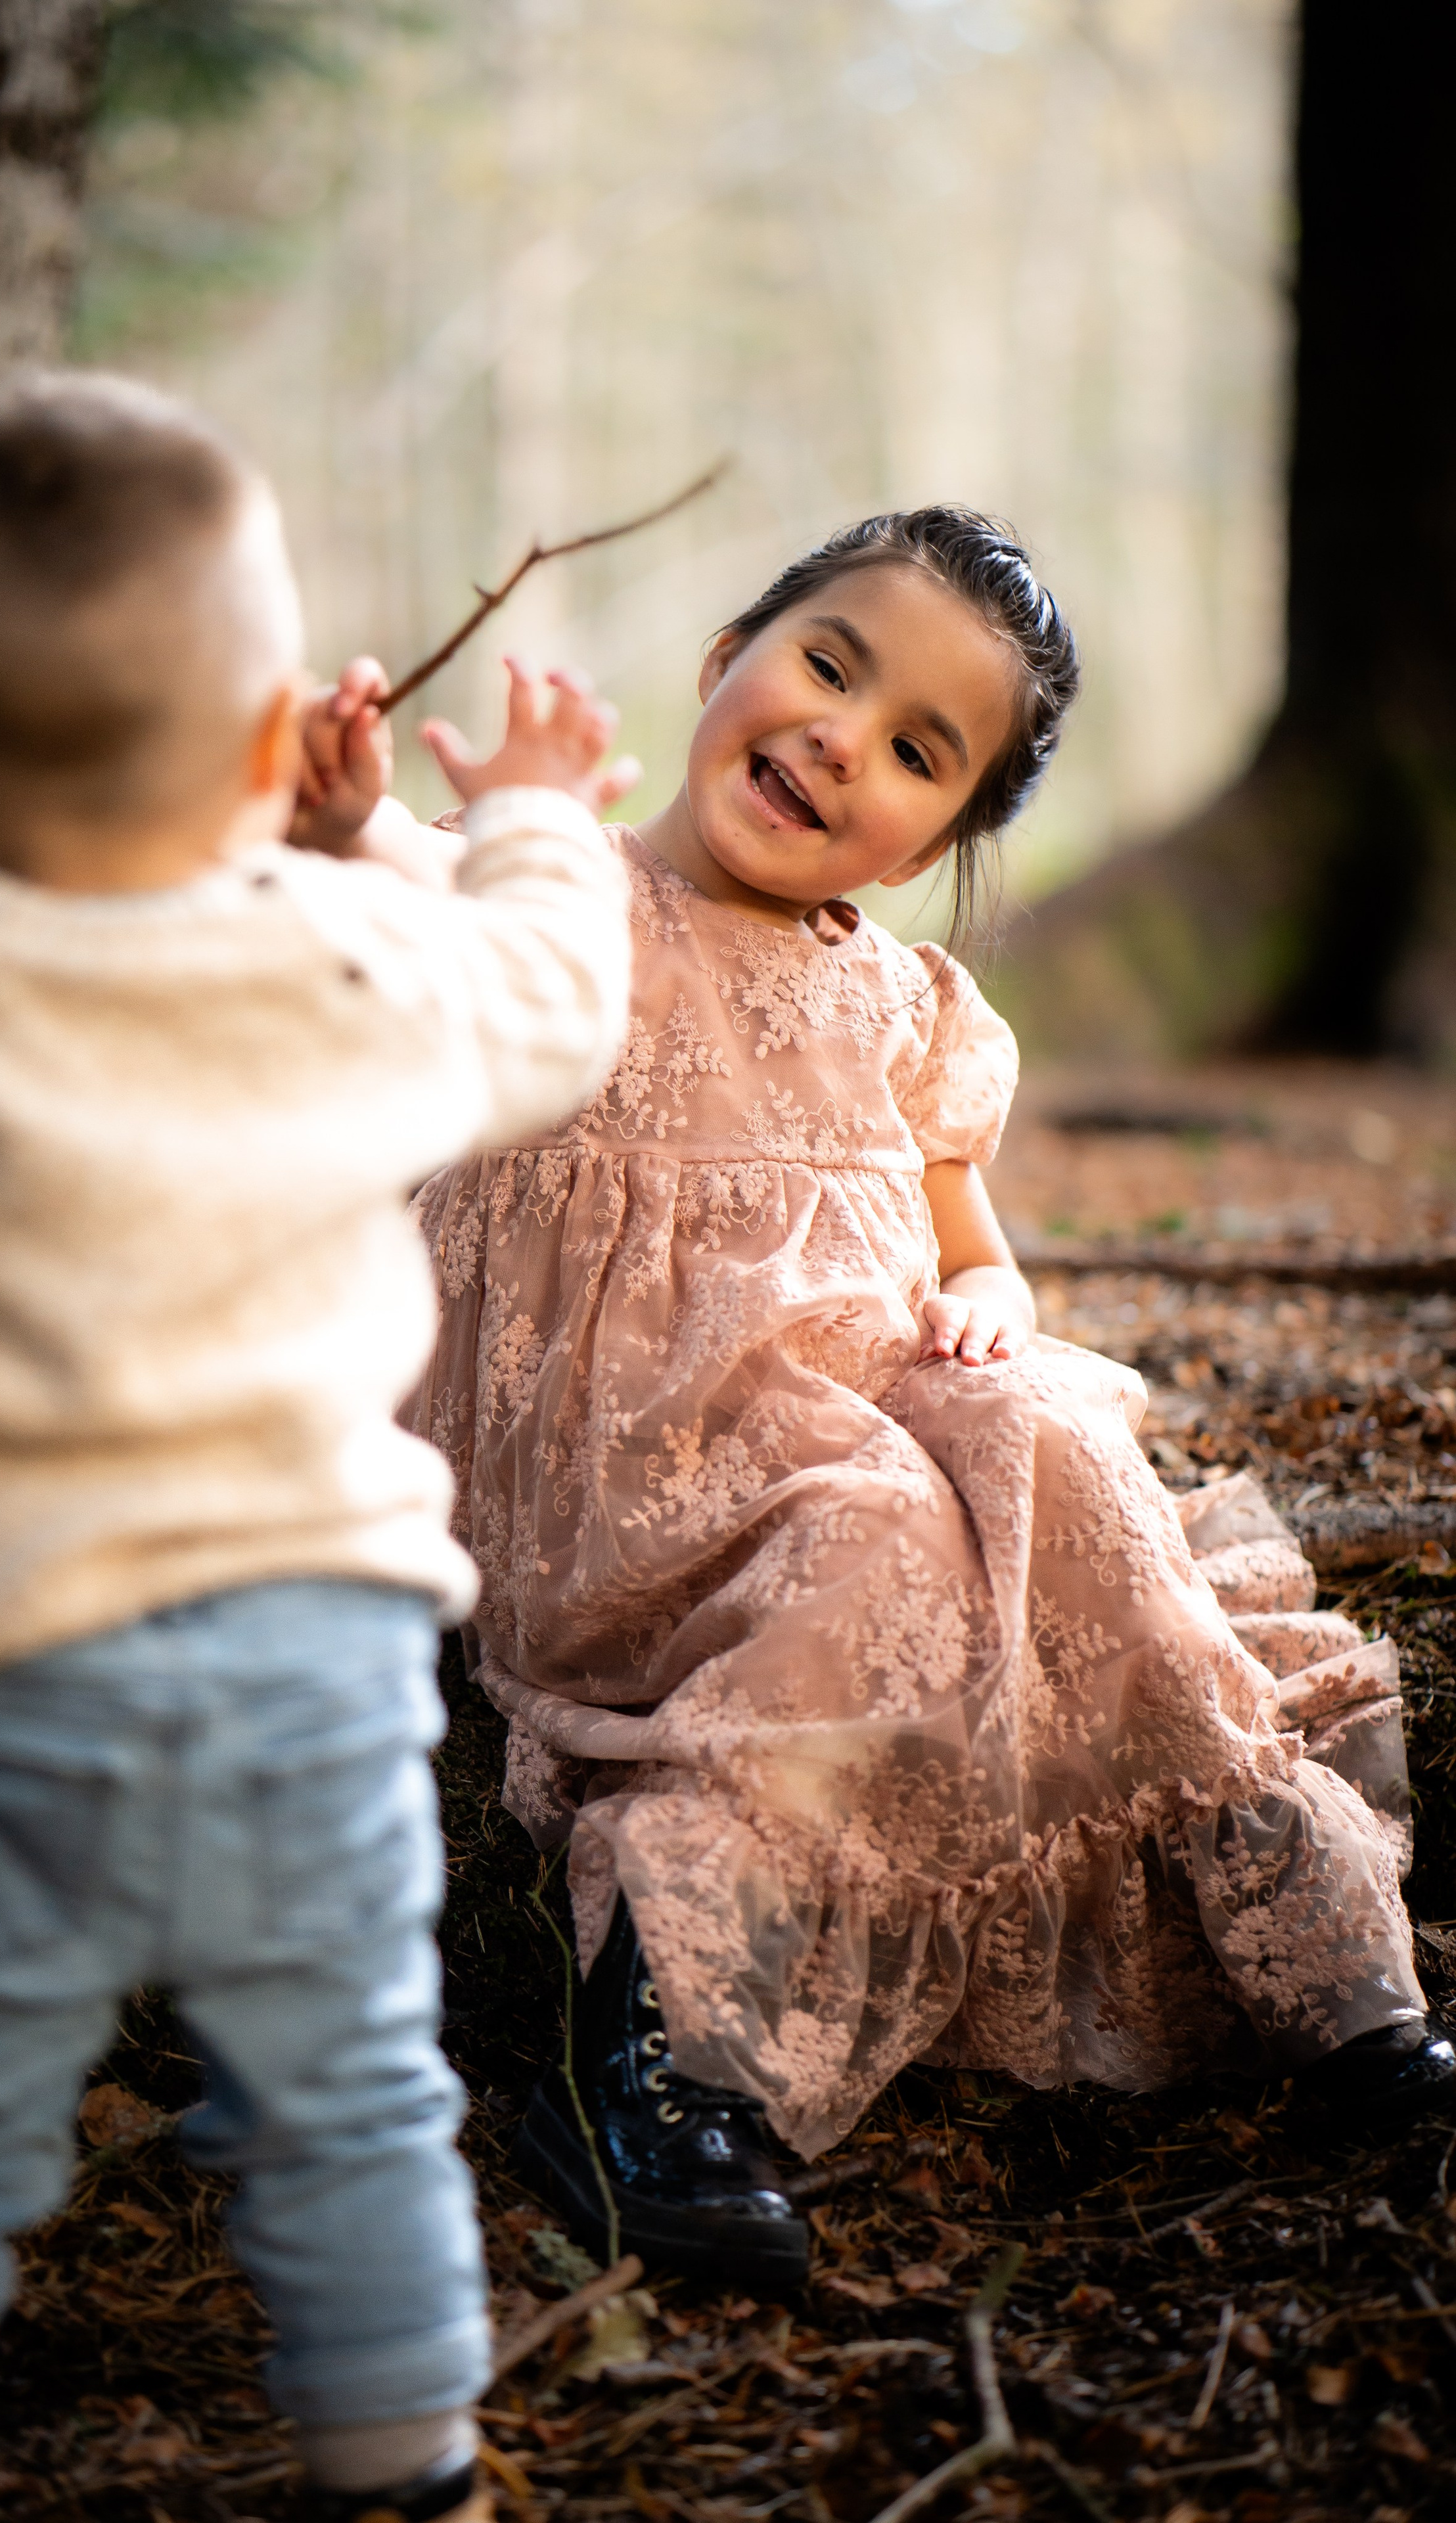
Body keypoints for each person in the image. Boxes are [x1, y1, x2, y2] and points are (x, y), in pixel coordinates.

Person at [401, 508, 1453, 2287]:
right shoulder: (550, 899)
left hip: (847, 1406)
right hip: (615, 1453)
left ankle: (1316, 1958)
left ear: (936, 842)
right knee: (878, 1531)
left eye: (916, 752)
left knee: (1060, 1440)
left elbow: (980, 1256)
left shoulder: (908, 1010)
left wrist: (984, 1308)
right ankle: (659, 2054)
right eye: (827, 665)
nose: (842, 741)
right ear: (728, 653)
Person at [0, 372, 635, 2523]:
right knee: (353, 2095)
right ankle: (406, 2464)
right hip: (313, 1673)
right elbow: (553, 1001)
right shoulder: (351, 949)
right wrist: (534, 811)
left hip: (0, 1681)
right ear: (274, 747)